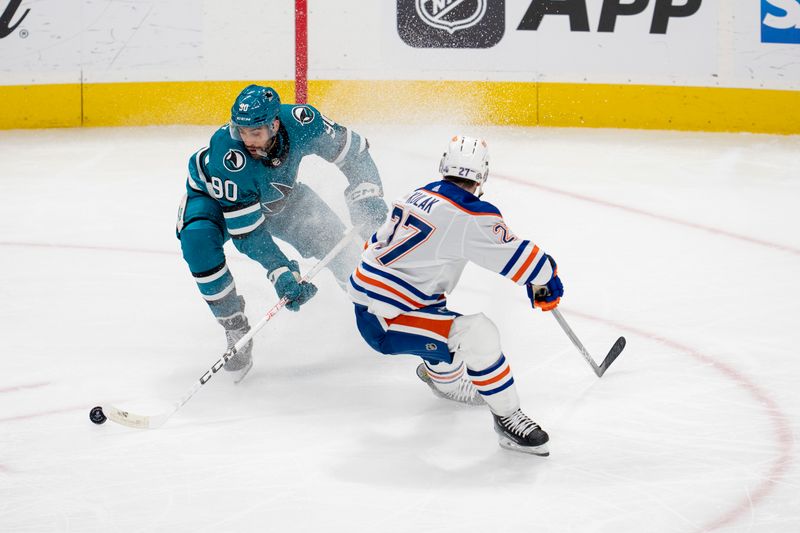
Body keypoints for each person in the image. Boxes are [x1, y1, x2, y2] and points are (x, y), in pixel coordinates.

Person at [347, 135, 564, 456]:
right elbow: (525, 260)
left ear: (443, 166)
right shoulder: (471, 214)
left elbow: (373, 244)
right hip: (388, 320)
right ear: (483, 176)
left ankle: (442, 378)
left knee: (436, 300)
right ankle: (508, 418)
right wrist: (546, 281)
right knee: (478, 334)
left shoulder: (417, 195)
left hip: (375, 303)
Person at [177, 84, 387, 382]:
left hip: (279, 196)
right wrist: (281, 270)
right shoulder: (229, 156)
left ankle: (377, 309)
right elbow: (248, 234)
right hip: (214, 201)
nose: (247, 139)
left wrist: (366, 193)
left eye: (256, 132)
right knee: (197, 241)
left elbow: (354, 153)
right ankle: (234, 325)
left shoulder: (303, 122)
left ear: (275, 124)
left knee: (341, 249)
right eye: (242, 131)